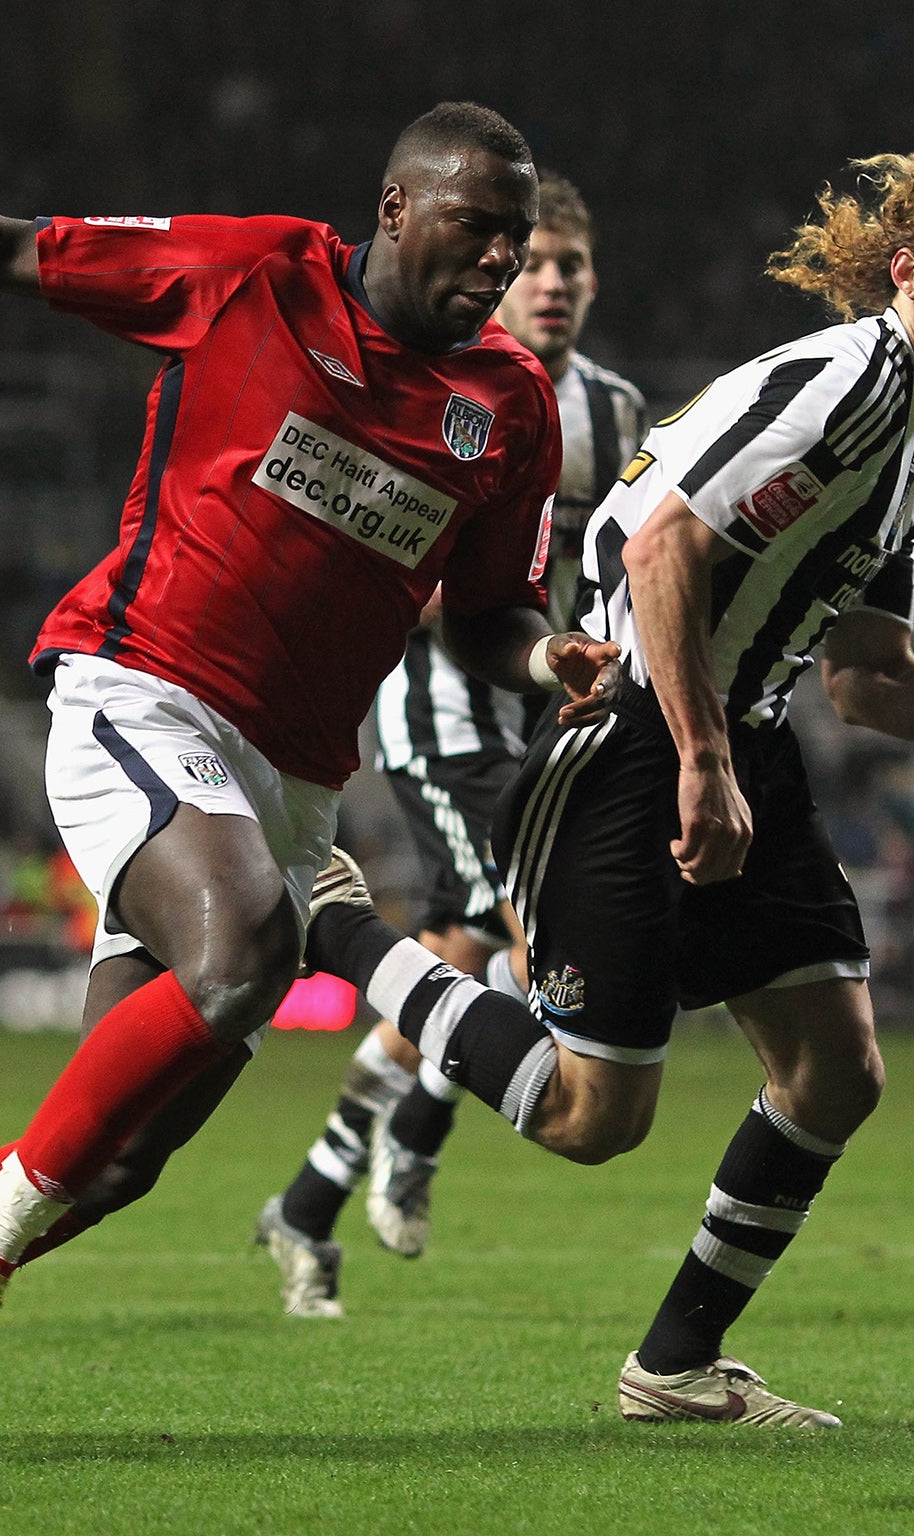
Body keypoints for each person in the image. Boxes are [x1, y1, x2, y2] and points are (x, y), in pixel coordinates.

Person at [0, 101, 621, 1445]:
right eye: (476, 229)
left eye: (517, 238)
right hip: (141, 692)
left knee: (119, 1152)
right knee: (250, 945)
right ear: (394, 209)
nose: (500, 260)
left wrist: (550, 658)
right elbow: (7, 250)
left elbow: (489, 610)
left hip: (291, 781)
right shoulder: (258, 274)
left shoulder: (511, 406)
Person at [304, 143, 914, 1427]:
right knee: (588, 1118)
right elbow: (661, 540)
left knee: (835, 1070)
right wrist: (697, 756)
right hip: (632, 739)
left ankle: (673, 1369)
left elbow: (861, 673)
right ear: (906, 274)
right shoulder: (843, 382)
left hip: (744, 740)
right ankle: (335, 922)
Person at [258, 172, 647, 1316]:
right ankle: (417, 1135)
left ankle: (308, 1202)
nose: (551, 284)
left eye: (570, 265)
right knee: (536, 949)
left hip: (548, 718)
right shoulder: (446, 386)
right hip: (444, 716)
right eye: (533, 264)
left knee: (462, 956)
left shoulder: (616, 412)